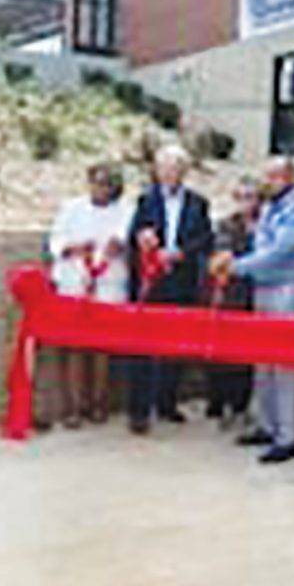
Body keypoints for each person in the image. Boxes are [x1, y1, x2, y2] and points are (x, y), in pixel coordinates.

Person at [210, 157, 294, 463]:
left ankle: (288, 437)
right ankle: (268, 426)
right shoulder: (271, 208)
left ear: (288, 177)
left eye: (271, 176)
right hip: (264, 290)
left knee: (285, 367)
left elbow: (277, 253)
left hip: (288, 292)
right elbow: (259, 248)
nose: (265, 182)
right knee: (263, 366)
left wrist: (234, 267)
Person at [127, 144, 213, 434]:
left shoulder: (198, 203)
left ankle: (167, 403)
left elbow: (205, 239)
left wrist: (182, 254)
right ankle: (139, 410)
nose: (169, 174)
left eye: (175, 169)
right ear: (157, 171)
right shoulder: (145, 201)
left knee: (175, 346)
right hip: (151, 282)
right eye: (164, 168)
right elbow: (133, 236)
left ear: (184, 172)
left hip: (181, 280)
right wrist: (145, 240)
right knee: (142, 346)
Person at [48, 162, 132, 427]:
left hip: (108, 284)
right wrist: (72, 248)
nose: (101, 189)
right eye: (96, 182)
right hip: (74, 281)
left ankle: (97, 403)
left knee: (101, 347)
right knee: (73, 346)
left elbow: (127, 239)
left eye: (107, 184)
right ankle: (72, 406)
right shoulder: (71, 207)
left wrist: (117, 246)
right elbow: (55, 240)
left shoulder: (126, 211)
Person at [205, 177, 261, 428]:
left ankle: (241, 405)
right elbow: (222, 256)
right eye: (241, 197)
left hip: (258, 294)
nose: (246, 202)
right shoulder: (227, 225)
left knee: (248, 356)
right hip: (231, 294)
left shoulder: (266, 225)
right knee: (225, 353)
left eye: (251, 197)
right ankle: (222, 403)